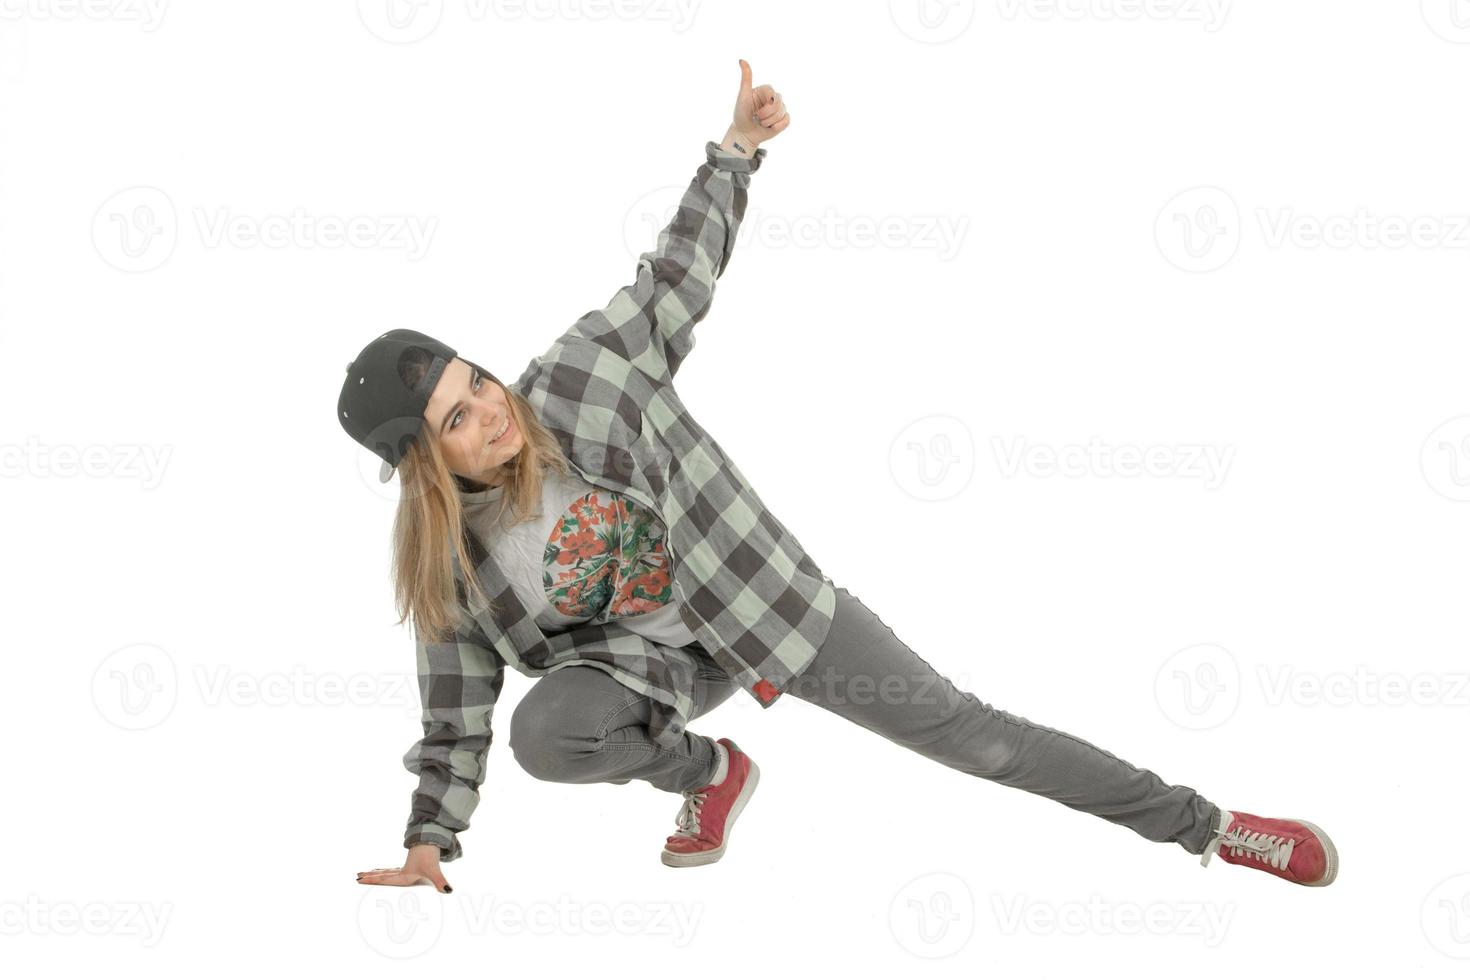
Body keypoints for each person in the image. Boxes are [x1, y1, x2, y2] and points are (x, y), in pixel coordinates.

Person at [344, 60, 1338, 893]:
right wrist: (429, 834)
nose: (491, 410)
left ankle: (1206, 824)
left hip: (764, 601)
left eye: (477, 380)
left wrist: (732, 153)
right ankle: (712, 771)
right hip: (648, 672)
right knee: (545, 730)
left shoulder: (582, 377)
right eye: (458, 421)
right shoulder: (451, 568)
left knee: (975, 735)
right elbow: (455, 705)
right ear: (423, 465)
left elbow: (674, 277)